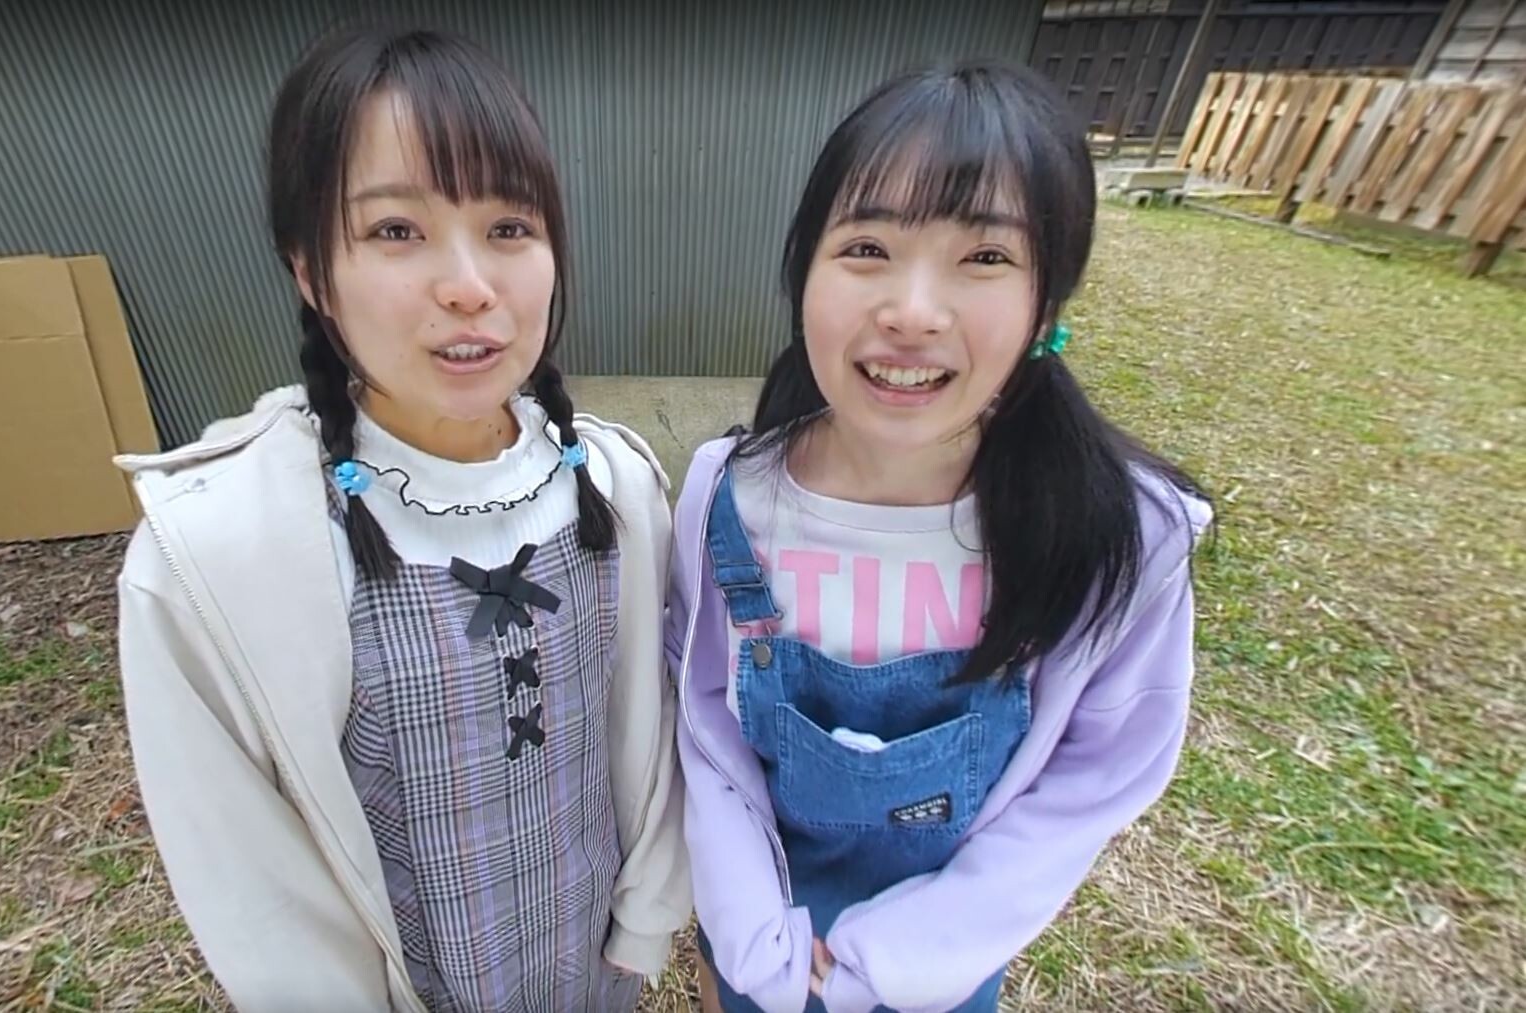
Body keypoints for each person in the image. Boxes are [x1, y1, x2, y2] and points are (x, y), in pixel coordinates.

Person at [114, 25, 688, 1012]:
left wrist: (644, 923)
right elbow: (249, 881)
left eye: (509, 227)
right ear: (308, 269)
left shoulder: (615, 484)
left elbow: (650, 726)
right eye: (394, 231)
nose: (468, 286)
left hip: (595, 972)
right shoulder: (216, 549)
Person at [671, 61, 1212, 1013]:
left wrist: (912, 955)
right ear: (804, 275)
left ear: (1048, 305)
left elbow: (1097, 774)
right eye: (867, 246)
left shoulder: (1119, 534)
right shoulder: (727, 497)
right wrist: (749, 932)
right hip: (759, 946)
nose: (913, 312)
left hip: (942, 967)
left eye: (986, 257)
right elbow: (706, 720)